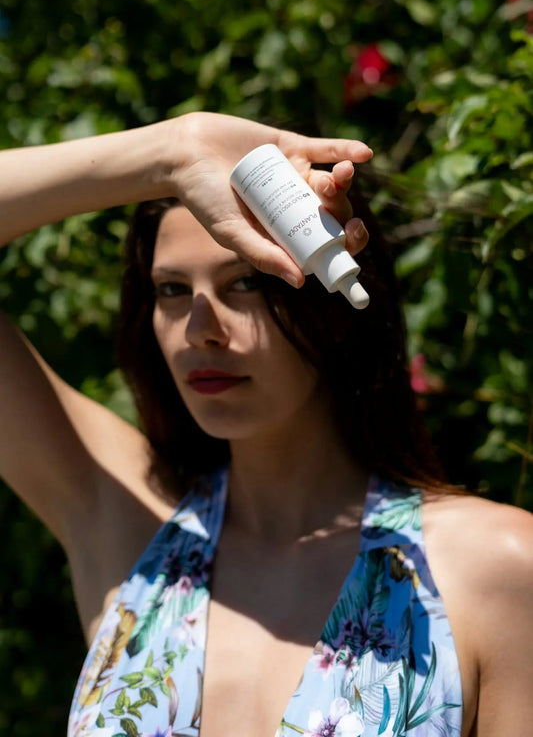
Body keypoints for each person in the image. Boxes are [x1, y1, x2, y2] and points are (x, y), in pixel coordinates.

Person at [0, 111, 531, 737]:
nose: (201, 327)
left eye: (246, 282)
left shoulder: (495, 569)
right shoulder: (129, 523)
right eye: (171, 291)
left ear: (332, 301)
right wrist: (174, 149)